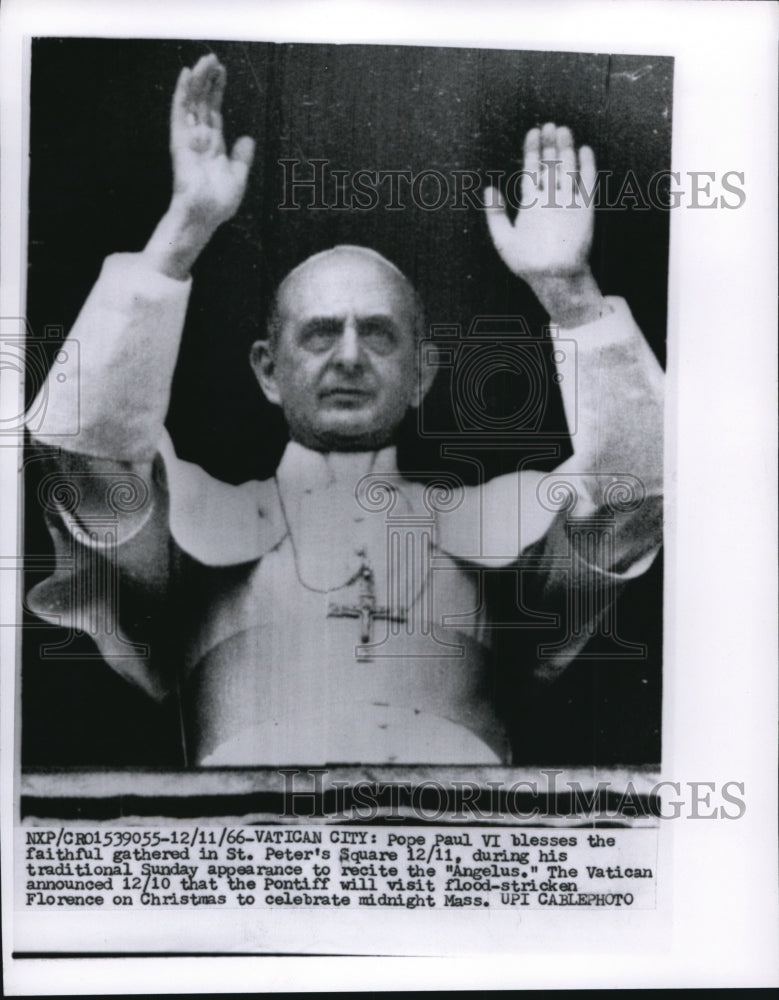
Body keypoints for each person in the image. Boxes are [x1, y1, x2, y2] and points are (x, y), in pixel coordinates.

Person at [26, 55, 664, 766]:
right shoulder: (192, 520)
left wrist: (569, 295)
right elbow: (84, 461)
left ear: (423, 373)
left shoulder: (504, 525)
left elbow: (635, 500)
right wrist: (179, 239)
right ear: (269, 371)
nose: (351, 357)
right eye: (321, 332)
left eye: (380, 334)